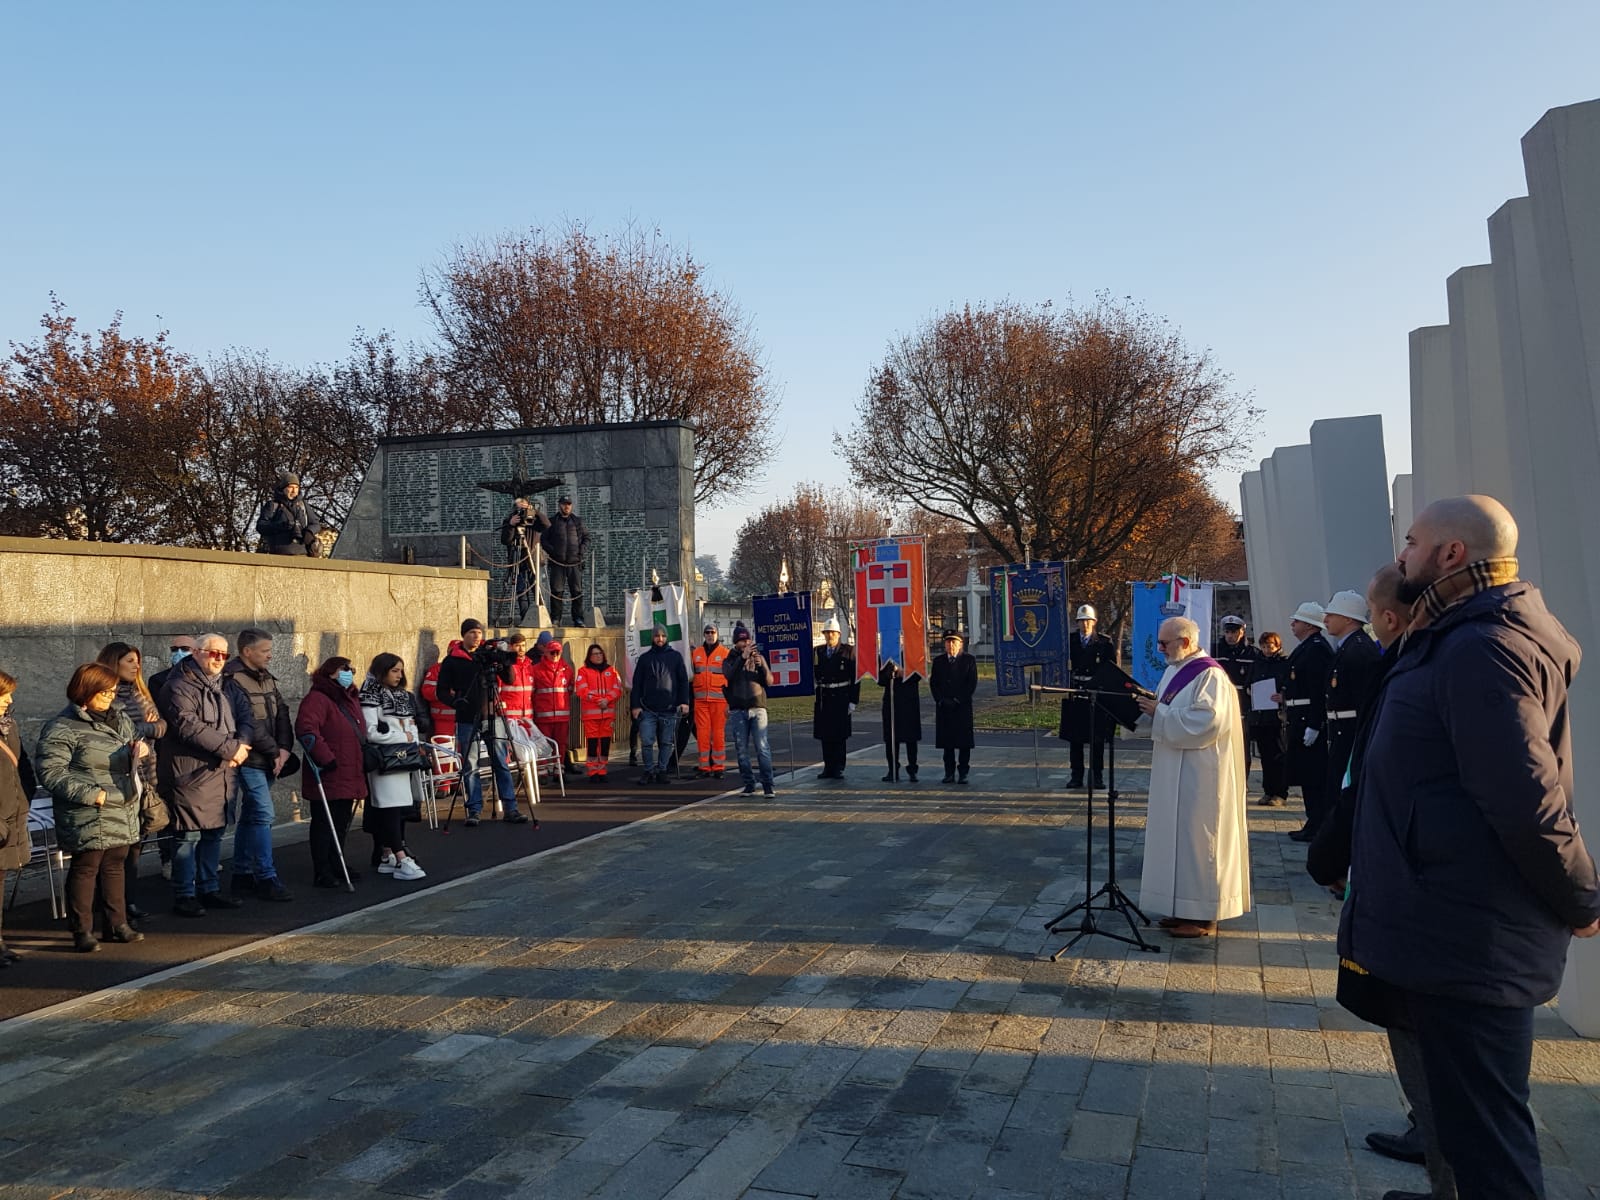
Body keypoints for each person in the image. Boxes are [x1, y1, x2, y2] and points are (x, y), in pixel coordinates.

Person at [1341, 496, 1600, 1200]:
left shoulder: (1485, 647)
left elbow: (1526, 800)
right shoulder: (1457, 634)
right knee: (1455, 1125)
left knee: (1489, 1145)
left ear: (1452, 555)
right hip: (1439, 929)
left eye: (1414, 542)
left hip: (1468, 939)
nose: (1403, 556)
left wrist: (1580, 897)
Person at [1303, 566, 1441, 1194]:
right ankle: (1435, 1142)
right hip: (1404, 871)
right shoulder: (1410, 660)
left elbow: (1376, 776)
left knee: (1423, 1030)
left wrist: (1335, 856)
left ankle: (1439, 1143)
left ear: (1381, 618)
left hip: (1414, 882)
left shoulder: (1404, 667)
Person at [1135, 616, 1251, 939]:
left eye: (1165, 643)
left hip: (1202, 776)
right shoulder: (1175, 670)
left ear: (1185, 642)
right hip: (1175, 768)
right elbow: (1165, 709)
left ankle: (1204, 915)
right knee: (1177, 839)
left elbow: (1208, 721)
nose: (1160, 650)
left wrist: (1160, 713)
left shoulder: (1210, 675)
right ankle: (1181, 905)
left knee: (1200, 841)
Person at [36, 663, 145, 951]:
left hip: (121, 804)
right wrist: (90, 794)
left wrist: (141, 749)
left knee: (115, 865)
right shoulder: (63, 726)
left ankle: (117, 924)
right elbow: (51, 772)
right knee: (86, 867)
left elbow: (134, 741)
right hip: (88, 809)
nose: (111, 697)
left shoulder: (119, 717)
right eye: (104, 692)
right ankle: (82, 930)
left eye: (113, 692)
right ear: (86, 691)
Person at [156, 632, 247, 918]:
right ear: (196, 652)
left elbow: (246, 716)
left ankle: (209, 888)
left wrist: (241, 745)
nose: (219, 659)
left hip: (221, 772)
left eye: (224, 654)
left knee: (214, 834)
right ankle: (185, 894)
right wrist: (231, 749)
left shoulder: (228, 685)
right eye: (213, 653)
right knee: (188, 837)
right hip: (190, 774)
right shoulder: (178, 685)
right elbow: (188, 726)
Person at [221, 629, 296, 902]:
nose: (270, 655)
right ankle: (266, 876)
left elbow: (283, 712)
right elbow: (248, 720)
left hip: (271, 757)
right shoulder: (232, 680)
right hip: (251, 758)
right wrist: (276, 751)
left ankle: (242, 873)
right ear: (247, 651)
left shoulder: (267, 678)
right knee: (264, 814)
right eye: (265, 650)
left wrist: (285, 749)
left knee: (252, 816)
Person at [96, 642, 166, 925]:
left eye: (137, 660)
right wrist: (147, 729)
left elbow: (162, 725)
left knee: (138, 843)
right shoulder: (108, 696)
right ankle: (112, 905)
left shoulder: (140, 693)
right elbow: (120, 731)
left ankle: (129, 900)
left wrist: (149, 728)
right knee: (118, 848)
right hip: (120, 777)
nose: (136, 665)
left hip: (147, 775)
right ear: (114, 662)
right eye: (129, 661)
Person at [294, 656, 370, 888]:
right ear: (330, 673)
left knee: (341, 821)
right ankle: (322, 869)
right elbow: (307, 729)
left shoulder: (349, 698)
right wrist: (326, 758)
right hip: (330, 769)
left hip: (349, 769)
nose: (350, 673)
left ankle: (337, 862)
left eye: (351, 669)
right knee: (324, 822)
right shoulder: (318, 699)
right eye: (344, 669)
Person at [435, 618, 519, 827]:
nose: (476, 636)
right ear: (464, 635)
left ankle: (511, 808)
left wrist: (506, 662)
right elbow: (441, 690)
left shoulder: (488, 657)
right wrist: (457, 702)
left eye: (479, 633)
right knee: (470, 765)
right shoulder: (452, 660)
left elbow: (509, 679)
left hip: (493, 715)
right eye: (472, 632)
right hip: (466, 718)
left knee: (501, 761)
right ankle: (474, 809)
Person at [360, 654, 436, 876]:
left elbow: (412, 723)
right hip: (386, 759)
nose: (399, 675)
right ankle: (400, 856)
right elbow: (371, 731)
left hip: (404, 758)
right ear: (382, 670)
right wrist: (403, 736)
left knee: (398, 809)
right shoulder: (370, 693)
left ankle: (388, 854)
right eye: (394, 670)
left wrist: (408, 737)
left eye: (401, 670)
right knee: (390, 809)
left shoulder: (402, 694)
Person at [1318, 589, 1382, 846]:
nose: (1325, 621)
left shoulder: (1359, 651)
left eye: (1331, 615)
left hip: (1350, 730)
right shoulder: (1347, 648)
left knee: (1344, 788)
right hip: (1340, 728)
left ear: (1348, 619)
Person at [1280, 601, 1332, 843]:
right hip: (1298, 717)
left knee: (1313, 776)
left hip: (1306, 720)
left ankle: (1317, 822)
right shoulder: (1308, 647)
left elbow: (1317, 691)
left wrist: (1314, 723)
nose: (1292, 624)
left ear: (1310, 626)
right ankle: (1313, 820)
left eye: (1297, 621)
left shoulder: (1317, 650)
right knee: (1306, 775)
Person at [0, 669, 36, 966]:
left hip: (11, 813)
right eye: (3, 694)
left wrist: (26, 797)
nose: (9, 700)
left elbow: (22, 763)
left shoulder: (8, 726)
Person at [1062, 604, 1117, 789]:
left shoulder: (1104, 642)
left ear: (1094, 622)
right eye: (1081, 621)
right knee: (1075, 739)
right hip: (1076, 692)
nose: (1085, 624)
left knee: (1097, 739)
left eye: (1088, 621)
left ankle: (1097, 776)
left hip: (1096, 694)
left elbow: (1111, 669)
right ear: (1077, 622)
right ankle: (1076, 775)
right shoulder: (1069, 641)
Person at [631, 625, 690, 785]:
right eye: (657, 636)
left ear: (667, 637)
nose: (660, 639)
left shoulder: (676, 657)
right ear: (652, 637)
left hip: (669, 709)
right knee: (647, 742)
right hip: (648, 709)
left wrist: (684, 702)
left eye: (663, 636)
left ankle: (662, 770)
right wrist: (635, 706)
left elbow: (683, 681)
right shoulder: (645, 658)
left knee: (666, 742)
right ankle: (648, 770)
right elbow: (636, 684)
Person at [722, 623, 774, 797]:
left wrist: (762, 666)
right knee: (742, 750)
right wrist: (742, 658)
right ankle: (749, 784)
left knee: (762, 747)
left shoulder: (758, 657)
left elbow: (769, 681)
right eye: (741, 641)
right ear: (736, 642)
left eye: (747, 640)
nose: (745, 643)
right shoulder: (730, 659)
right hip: (738, 710)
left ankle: (768, 785)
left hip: (757, 708)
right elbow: (729, 675)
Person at [1246, 631, 1291, 807]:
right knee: (1265, 757)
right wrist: (1251, 690)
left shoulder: (1284, 663)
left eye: (1269, 646)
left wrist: (1283, 696)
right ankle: (1268, 791)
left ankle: (1280, 793)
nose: (1266, 649)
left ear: (1277, 645)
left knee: (1278, 756)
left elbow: (1290, 684)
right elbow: (1250, 682)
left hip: (1277, 717)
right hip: (1261, 716)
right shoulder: (1258, 663)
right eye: (1263, 646)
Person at [1212, 614, 1260, 773]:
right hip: (1219, 704)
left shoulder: (1252, 653)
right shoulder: (1215, 650)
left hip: (1243, 706)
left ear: (1242, 632)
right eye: (1228, 632)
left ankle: (1242, 780)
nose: (1231, 636)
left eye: (1234, 632)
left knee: (1242, 745)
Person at [930, 629, 978, 784]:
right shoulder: (938, 661)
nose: (951, 645)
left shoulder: (969, 660)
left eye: (954, 642)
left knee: (964, 743)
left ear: (960, 644)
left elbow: (971, 684)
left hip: (962, 707)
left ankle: (963, 772)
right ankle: (949, 772)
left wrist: (958, 700)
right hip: (944, 708)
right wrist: (940, 700)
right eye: (948, 642)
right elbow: (934, 684)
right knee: (947, 743)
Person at [813, 617, 858, 780]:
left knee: (839, 735)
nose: (829, 636)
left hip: (841, 697)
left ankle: (838, 767)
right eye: (827, 633)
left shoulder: (848, 651)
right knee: (825, 735)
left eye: (832, 632)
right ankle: (828, 766)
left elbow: (855, 677)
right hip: (824, 697)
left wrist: (853, 700)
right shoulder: (818, 652)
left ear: (838, 634)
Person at [536, 495, 590, 625]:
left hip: (574, 562)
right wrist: (553, 551)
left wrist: (581, 551)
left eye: (569, 504)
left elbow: (586, 538)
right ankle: (556, 619)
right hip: (557, 563)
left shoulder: (577, 521)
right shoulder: (552, 521)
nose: (567, 506)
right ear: (559, 505)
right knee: (557, 592)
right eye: (564, 504)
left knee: (576, 592)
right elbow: (544, 539)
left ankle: (578, 619)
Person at [574, 644, 622, 784]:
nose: (598, 656)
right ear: (589, 656)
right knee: (593, 743)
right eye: (595, 654)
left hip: (607, 713)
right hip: (591, 715)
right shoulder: (583, 671)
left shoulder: (612, 671)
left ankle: (602, 770)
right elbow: (582, 690)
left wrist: (606, 700)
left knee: (605, 743)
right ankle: (592, 771)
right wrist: (599, 700)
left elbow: (617, 688)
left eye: (600, 653)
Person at [531, 637, 577, 777]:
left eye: (557, 652)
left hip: (562, 716)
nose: (555, 655)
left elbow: (569, 689)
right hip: (543, 715)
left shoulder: (567, 670)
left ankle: (559, 771)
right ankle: (543, 773)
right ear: (546, 652)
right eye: (552, 652)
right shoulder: (536, 670)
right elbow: (532, 692)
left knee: (561, 744)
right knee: (542, 745)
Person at [692, 623, 729, 778]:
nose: (709, 634)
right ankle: (704, 766)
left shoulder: (725, 653)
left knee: (718, 734)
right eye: (707, 632)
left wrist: (729, 701)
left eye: (712, 632)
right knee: (702, 734)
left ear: (717, 634)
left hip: (719, 702)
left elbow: (730, 678)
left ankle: (719, 766)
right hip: (701, 702)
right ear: (704, 635)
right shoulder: (696, 653)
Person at [256, 470, 322, 556]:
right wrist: (280, 526)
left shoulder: (303, 505)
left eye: (296, 487)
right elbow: (261, 526)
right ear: (283, 488)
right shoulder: (273, 505)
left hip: (303, 554)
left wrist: (309, 532)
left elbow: (316, 524)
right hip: (279, 554)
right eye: (291, 487)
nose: (294, 491)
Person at [878, 659, 922, 782]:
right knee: (891, 738)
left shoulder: (913, 652)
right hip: (891, 702)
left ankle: (912, 769)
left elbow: (919, 674)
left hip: (909, 701)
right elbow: (880, 680)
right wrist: (890, 673)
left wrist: (904, 673)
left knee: (911, 738)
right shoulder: (886, 656)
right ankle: (892, 769)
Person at [499, 497, 542, 624]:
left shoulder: (533, 520)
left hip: (532, 559)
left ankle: (540, 616)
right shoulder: (509, 521)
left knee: (536, 589)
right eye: (518, 508)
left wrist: (534, 511)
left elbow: (546, 524)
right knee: (521, 590)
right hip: (517, 559)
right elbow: (505, 540)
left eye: (523, 508)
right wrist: (511, 525)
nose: (521, 511)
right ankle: (526, 618)